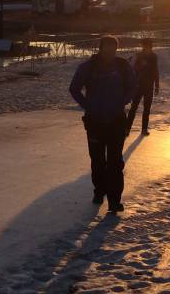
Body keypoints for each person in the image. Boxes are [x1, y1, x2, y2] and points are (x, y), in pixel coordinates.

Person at [69, 36, 137, 213]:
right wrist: (88, 105)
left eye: (113, 47)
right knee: (98, 160)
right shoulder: (88, 67)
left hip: (116, 120)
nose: (109, 51)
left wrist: (122, 101)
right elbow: (74, 89)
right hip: (95, 121)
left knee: (115, 162)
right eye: (106, 47)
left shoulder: (123, 66)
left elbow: (132, 87)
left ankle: (114, 200)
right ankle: (99, 191)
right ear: (100, 48)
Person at [126, 38, 160, 136]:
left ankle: (144, 129)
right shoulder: (139, 56)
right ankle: (127, 129)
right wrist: (141, 66)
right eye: (145, 45)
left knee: (147, 109)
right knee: (133, 108)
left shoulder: (154, 56)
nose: (147, 47)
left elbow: (155, 71)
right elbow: (134, 70)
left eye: (148, 45)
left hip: (149, 86)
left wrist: (157, 85)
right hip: (139, 85)